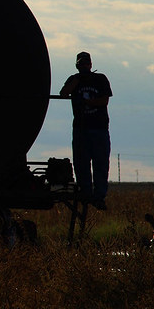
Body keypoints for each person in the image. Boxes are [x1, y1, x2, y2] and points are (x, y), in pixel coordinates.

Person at [60, 51, 112, 209]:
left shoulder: (100, 79)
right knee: (81, 164)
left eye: (86, 64)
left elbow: (104, 100)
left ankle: (99, 196)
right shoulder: (74, 79)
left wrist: (88, 101)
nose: (84, 67)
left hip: (99, 129)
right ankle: (86, 193)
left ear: (91, 64)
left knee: (100, 164)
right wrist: (76, 80)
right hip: (81, 129)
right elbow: (64, 93)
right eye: (81, 64)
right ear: (77, 65)